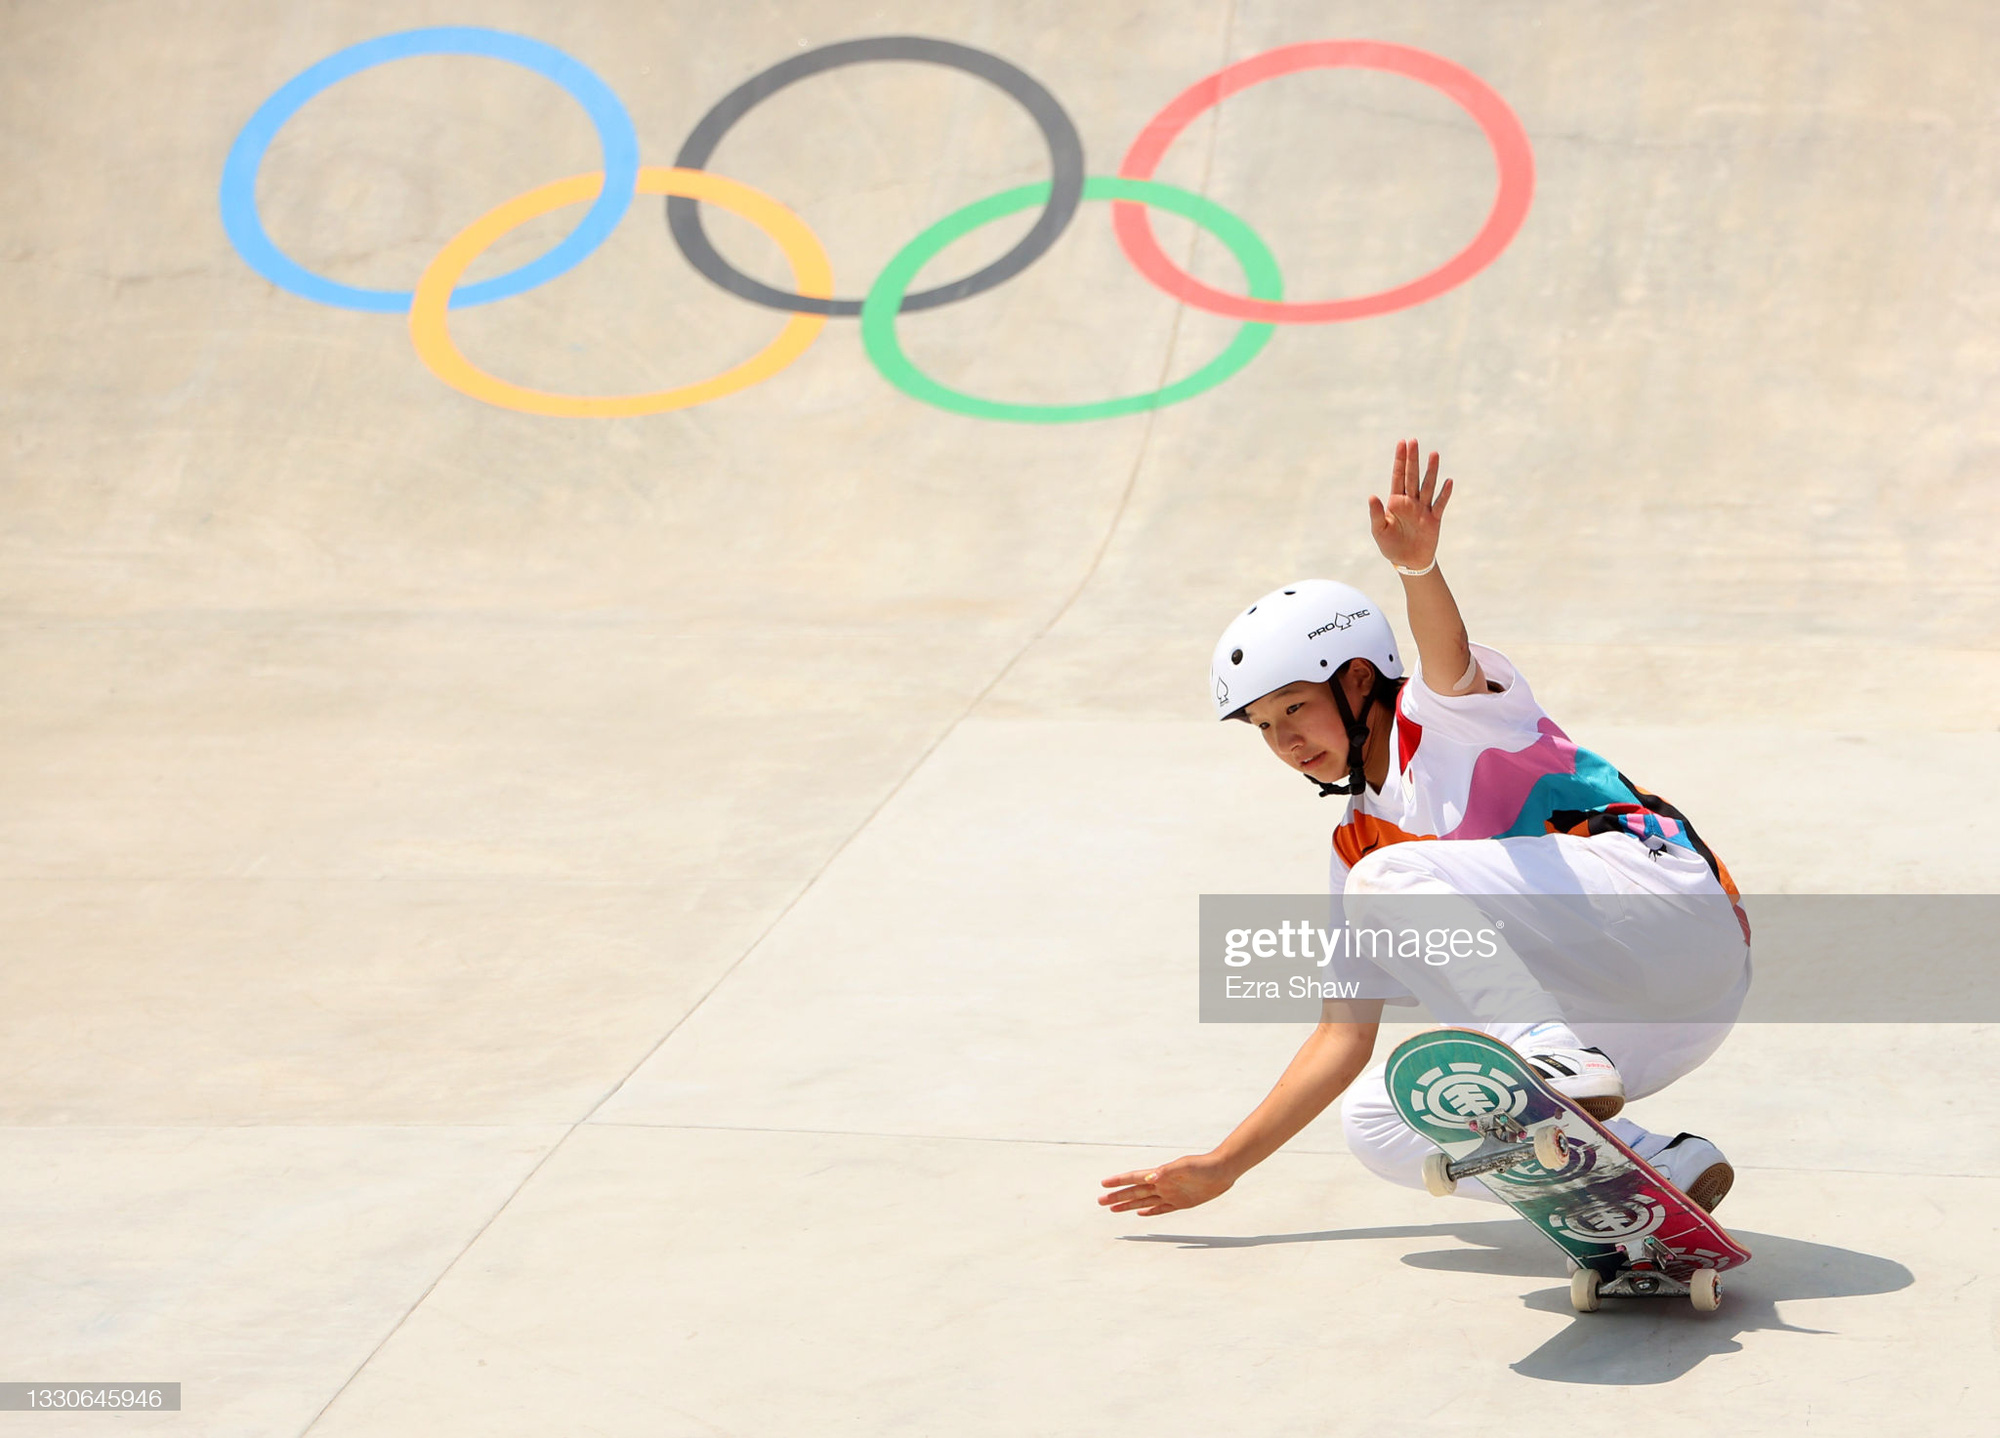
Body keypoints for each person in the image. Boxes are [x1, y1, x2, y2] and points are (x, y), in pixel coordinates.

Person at [1099, 439, 1750, 1221]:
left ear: (1359, 679)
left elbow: (1446, 658)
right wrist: (1222, 1167)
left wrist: (1418, 569)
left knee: (1391, 879)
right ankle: (1653, 1166)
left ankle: (1548, 1058)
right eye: (1265, 727)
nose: (1285, 742)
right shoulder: (1356, 843)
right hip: (1653, 1021)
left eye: (1296, 707)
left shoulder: (1440, 720)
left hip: (1670, 910)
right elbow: (1342, 1038)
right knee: (1381, 1119)